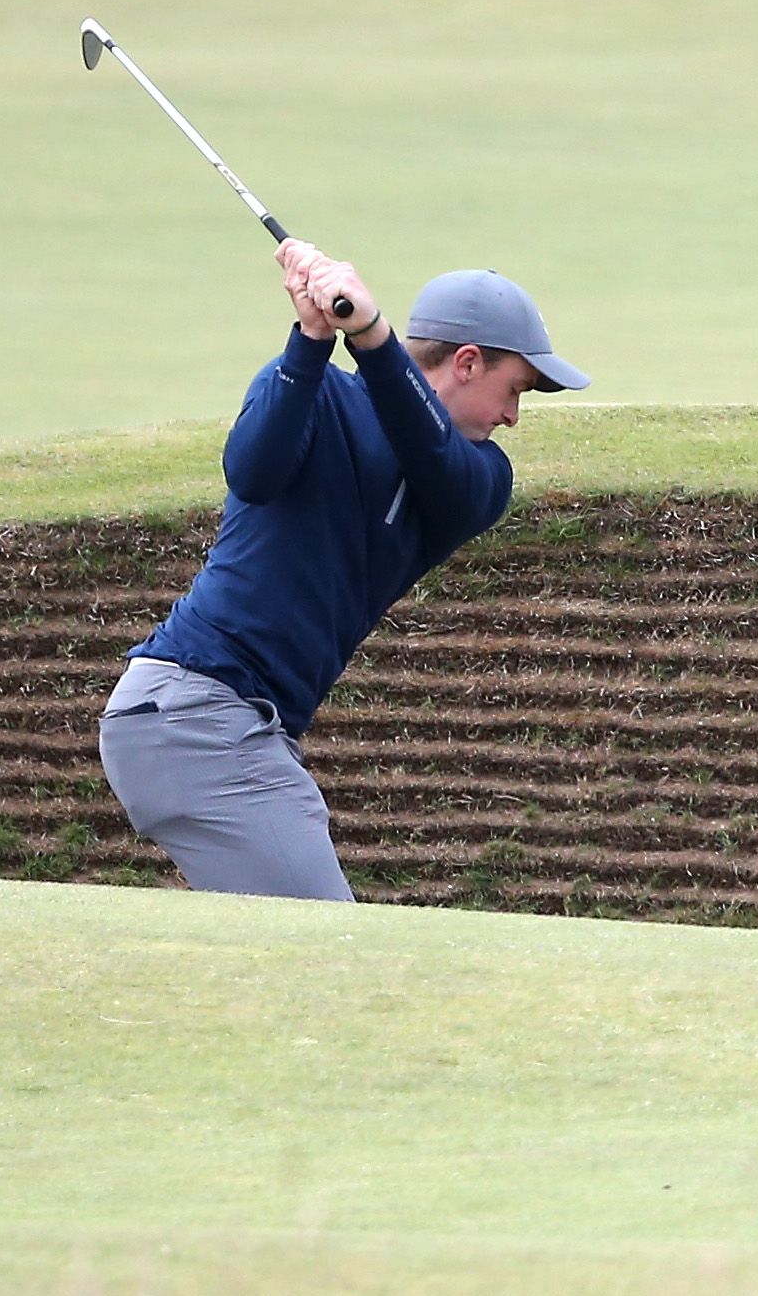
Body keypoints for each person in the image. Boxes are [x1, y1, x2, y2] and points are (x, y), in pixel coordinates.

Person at [98, 240, 586, 900]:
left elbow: (428, 455)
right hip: (196, 712)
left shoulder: (481, 477)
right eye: (515, 390)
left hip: (232, 726)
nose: (513, 416)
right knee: (327, 949)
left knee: (285, 957)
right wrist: (311, 338)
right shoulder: (315, 390)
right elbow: (252, 471)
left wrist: (373, 340)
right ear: (468, 363)